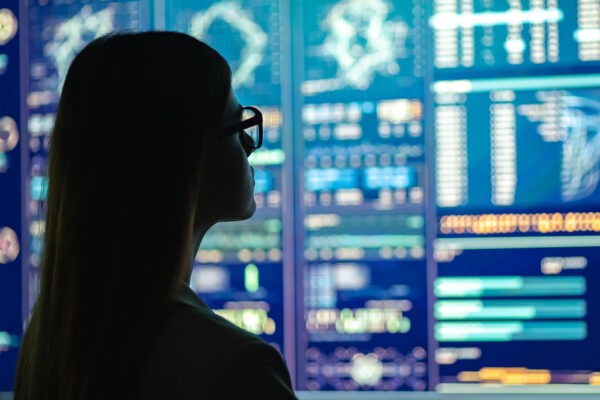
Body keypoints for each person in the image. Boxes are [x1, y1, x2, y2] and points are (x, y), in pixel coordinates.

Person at [14, 31, 297, 400]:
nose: (250, 147)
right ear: (184, 157)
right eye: (238, 126)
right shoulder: (239, 367)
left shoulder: (47, 341)